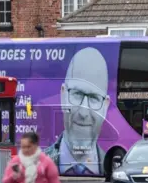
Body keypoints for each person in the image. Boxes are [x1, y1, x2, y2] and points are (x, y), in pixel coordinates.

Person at [44, 47, 110, 175]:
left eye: (94, 98)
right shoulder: (39, 165)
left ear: (105, 106)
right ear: (63, 95)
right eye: (77, 94)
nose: (83, 113)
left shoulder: (114, 168)